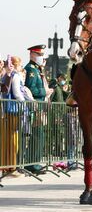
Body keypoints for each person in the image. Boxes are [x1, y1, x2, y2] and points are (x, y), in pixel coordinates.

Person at [24, 44, 50, 174]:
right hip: (35, 107)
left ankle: (35, 162)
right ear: (32, 55)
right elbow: (30, 89)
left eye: (42, 54)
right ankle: (32, 164)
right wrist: (44, 91)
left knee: (39, 135)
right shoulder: (30, 69)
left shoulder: (37, 69)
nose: (41, 57)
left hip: (40, 107)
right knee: (37, 136)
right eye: (39, 54)